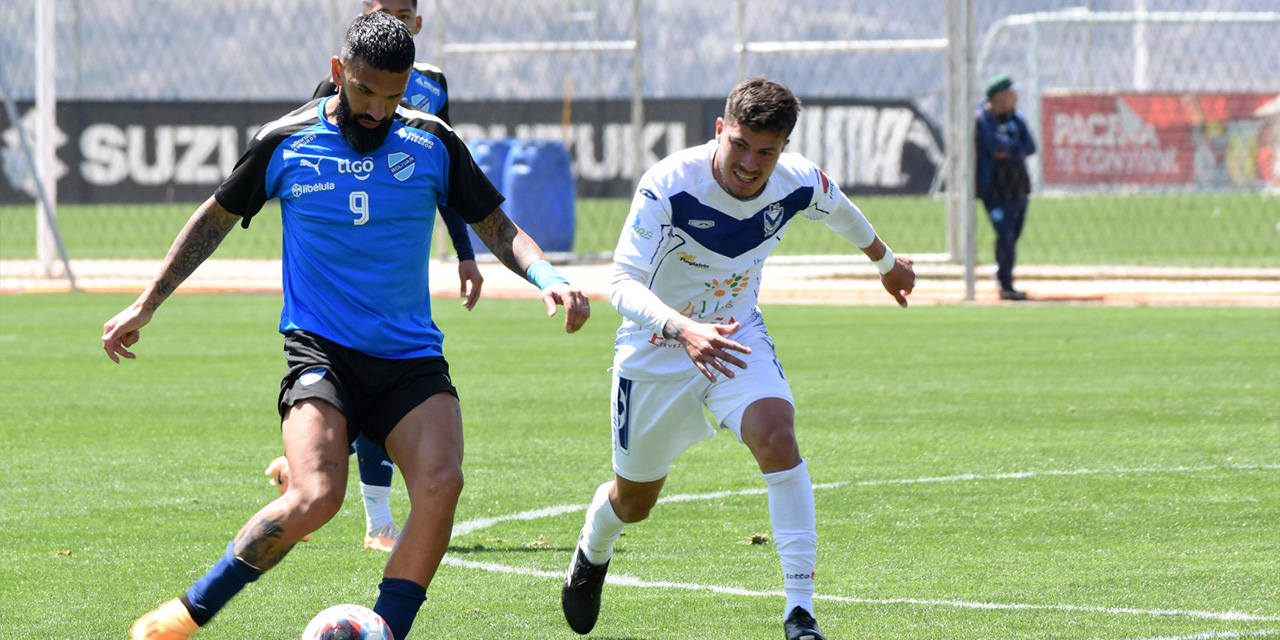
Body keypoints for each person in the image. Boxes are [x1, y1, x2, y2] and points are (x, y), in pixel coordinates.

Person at [106, 12, 591, 640]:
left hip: (408, 359)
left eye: (393, 96)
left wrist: (549, 278)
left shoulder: (432, 141)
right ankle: (186, 614)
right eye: (365, 92)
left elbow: (497, 227)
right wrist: (147, 302)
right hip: (322, 353)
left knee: (442, 483)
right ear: (338, 74)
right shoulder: (286, 141)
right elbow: (215, 219)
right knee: (316, 500)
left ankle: (384, 629)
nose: (377, 110)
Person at [560, 77, 915, 640]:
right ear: (720, 130)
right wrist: (682, 328)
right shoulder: (669, 184)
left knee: (777, 435)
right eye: (741, 145)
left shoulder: (795, 180)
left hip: (737, 335)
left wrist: (886, 261)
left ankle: (800, 613)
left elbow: (838, 205)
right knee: (634, 502)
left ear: (784, 149)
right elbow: (621, 284)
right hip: (656, 346)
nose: (751, 163)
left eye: (767, 151)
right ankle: (594, 543)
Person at [263, 0, 479, 556]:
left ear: (418, 23)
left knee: (391, 394)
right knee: (358, 385)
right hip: (339, 290)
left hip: (398, 281)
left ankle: (311, 473)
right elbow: (321, 158)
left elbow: (452, 177)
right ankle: (373, 516)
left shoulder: (432, 90)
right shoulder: (330, 97)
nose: (379, 108)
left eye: (404, 11)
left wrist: (464, 251)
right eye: (384, 9)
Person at [975, 72, 1037, 301]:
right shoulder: (982, 119)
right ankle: (1005, 284)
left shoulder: (1016, 118)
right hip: (993, 190)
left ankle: (1001, 270)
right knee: (1006, 233)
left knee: (1014, 232)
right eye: (1011, 93)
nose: (1015, 96)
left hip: (1017, 186)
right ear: (999, 96)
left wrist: (1008, 150)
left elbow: (1029, 146)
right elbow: (991, 143)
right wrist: (1011, 147)